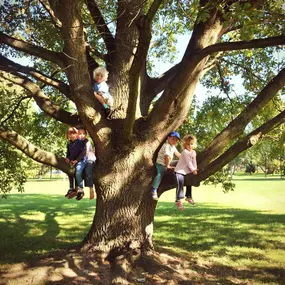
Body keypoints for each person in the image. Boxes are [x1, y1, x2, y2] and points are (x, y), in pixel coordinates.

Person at [151, 131, 181, 200]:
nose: (174, 141)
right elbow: (166, 157)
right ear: (168, 138)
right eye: (173, 139)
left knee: (179, 162)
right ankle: (154, 190)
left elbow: (178, 154)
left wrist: (186, 157)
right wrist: (168, 166)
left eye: (176, 140)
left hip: (168, 163)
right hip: (161, 164)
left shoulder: (173, 147)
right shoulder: (166, 146)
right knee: (159, 175)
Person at [174, 134, 198, 210]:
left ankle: (188, 197)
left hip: (187, 171)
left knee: (189, 183)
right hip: (179, 171)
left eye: (191, 144)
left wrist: (195, 169)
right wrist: (193, 170)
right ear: (184, 144)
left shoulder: (193, 152)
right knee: (180, 183)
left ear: (194, 144)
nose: (190, 145)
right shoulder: (185, 152)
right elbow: (188, 162)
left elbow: (194, 161)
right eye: (188, 144)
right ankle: (178, 200)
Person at [64, 126, 86, 201]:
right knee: (69, 171)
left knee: (78, 171)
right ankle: (71, 188)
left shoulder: (80, 142)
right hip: (73, 161)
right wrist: (67, 158)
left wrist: (76, 160)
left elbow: (83, 153)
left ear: (77, 134)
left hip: (81, 160)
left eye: (73, 133)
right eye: (69, 134)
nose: (71, 135)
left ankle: (80, 190)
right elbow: (69, 153)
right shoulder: (69, 143)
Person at [78, 127, 96, 200]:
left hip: (90, 159)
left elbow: (85, 153)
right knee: (78, 171)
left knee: (88, 170)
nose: (82, 135)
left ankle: (91, 188)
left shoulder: (86, 141)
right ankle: (78, 190)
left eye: (83, 134)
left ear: (86, 135)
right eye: (80, 134)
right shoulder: (77, 143)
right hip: (83, 160)